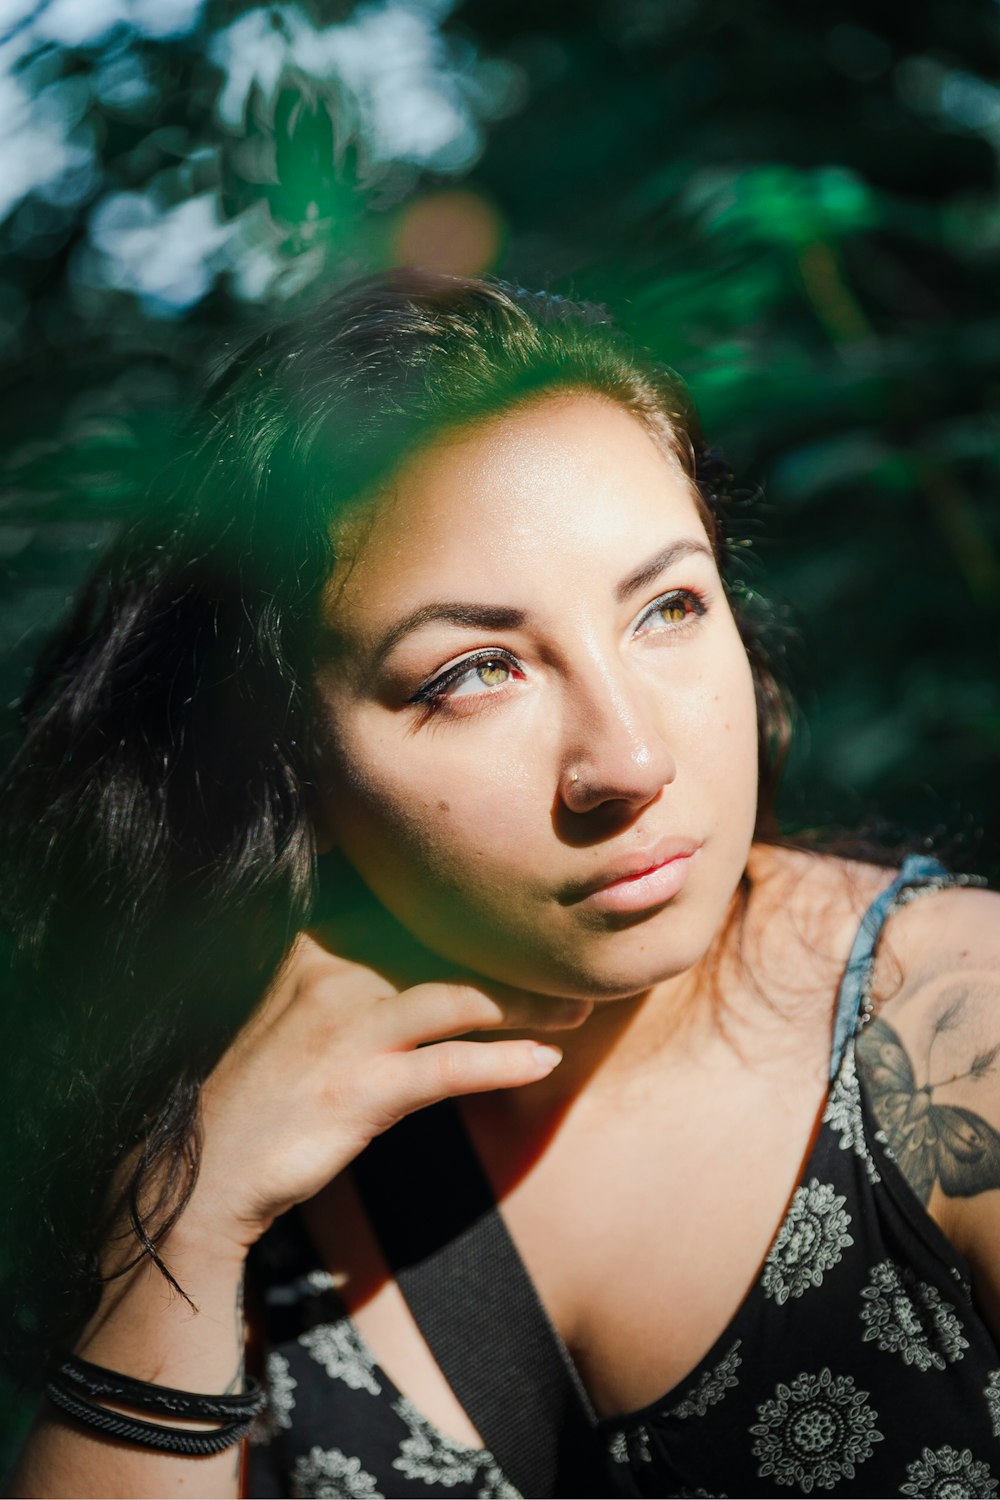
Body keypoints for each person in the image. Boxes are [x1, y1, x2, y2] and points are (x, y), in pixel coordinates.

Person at [3, 270, 999, 1500]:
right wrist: (182, 1226)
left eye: (669, 607)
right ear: (278, 755)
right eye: (474, 671)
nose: (629, 761)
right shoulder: (234, 1140)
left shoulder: (964, 1031)